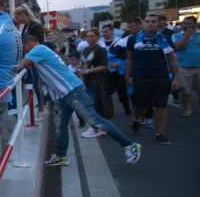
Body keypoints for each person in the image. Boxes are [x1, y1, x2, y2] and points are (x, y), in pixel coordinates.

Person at [19, 35, 142, 166]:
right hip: (63, 94)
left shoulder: (38, 50)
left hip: (72, 91)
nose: (25, 50)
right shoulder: (43, 50)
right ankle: (61, 156)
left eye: (24, 46)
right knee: (60, 125)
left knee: (95, 120)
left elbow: (22, 65)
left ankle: (129, 145)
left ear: (30, 43)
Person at [125, 13, 181, 144]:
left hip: (160, 76)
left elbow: (172, 60)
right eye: (148, 21)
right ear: (143, 23)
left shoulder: (165, 38)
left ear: (158, 23)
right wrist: (128, 76)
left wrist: (176, 78)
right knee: (140, 107)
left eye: (153, 22)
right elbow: (130, 59)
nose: (150, 24)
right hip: (140, 76)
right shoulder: (133, 39)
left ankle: (160, 133)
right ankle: (136, 119)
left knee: (161, 105)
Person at [78, 29, 112, 138]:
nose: (89, 38)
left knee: (95, 103)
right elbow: (84, 63)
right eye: (88, 36)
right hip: (88, 79)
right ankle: (97, 126)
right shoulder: (86, 49)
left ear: (97, 37)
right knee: (91, 103)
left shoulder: (100, 50)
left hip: (97, 79)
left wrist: (88, 71)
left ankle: (97, 127)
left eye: (92, 36)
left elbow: (104, 65)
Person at [101, 24, 131, 116]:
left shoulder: (121, 42)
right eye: (103, 32)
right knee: (105, 93)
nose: (104, 34)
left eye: (106, 31)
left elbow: (128, 57)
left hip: (118, 71)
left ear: (111, 31)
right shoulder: (100, 42)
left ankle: (126, 107)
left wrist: (119, 63)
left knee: (122, 91)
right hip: (105, 71)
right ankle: (107, 111)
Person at [172, 16, 200, 117]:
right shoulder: (177, 35)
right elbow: (178, 47)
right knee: (186, 91)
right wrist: (187, 36)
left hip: (198, 66)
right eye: (184, 23)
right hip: (183, 66)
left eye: (189, 24)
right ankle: (188, 109)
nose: (186, 26)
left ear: (195, 24)